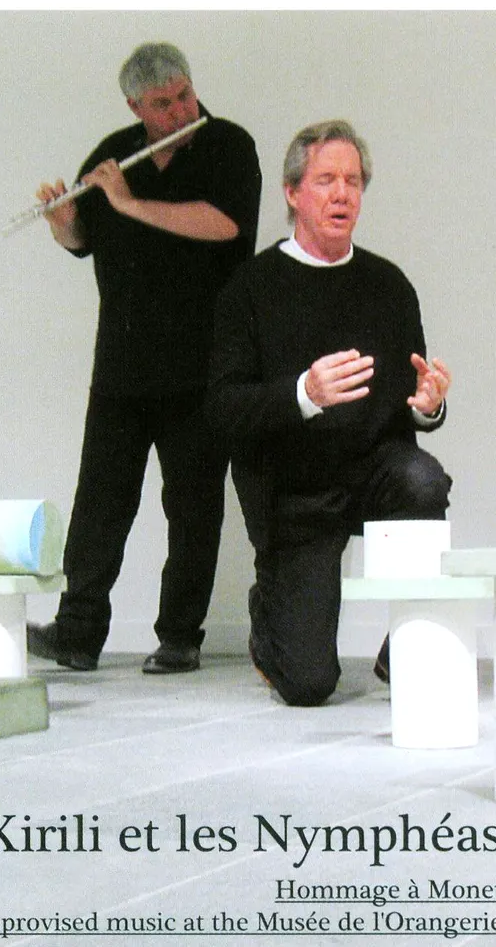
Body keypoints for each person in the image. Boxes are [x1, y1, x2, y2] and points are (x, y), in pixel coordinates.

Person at [25, 41, 262, 674]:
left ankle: (180, 636)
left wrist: (128, 202)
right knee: (100, 504)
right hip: (122, 366)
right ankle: (78, 632)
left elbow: (226, 225)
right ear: (136, 106)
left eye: (184, 94)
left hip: (201, 367)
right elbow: (83, 240)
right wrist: (64, 223)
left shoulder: (228, 146)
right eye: (163, 103)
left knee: (192, 507)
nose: (181, 110)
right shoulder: (111, 154)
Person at [207, 119, 452, 707]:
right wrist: (303, 394)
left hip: (371, 470)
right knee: (309, 684)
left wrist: (429, 407)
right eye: (325, 180)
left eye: (353, 181)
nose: (342, 194)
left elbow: (409, 402)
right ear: (293, 192)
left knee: (423, 479)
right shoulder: (250, 287)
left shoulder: (389, 285)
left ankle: (405, 644)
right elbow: (223, 409)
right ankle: (270, 617)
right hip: (294, 491)